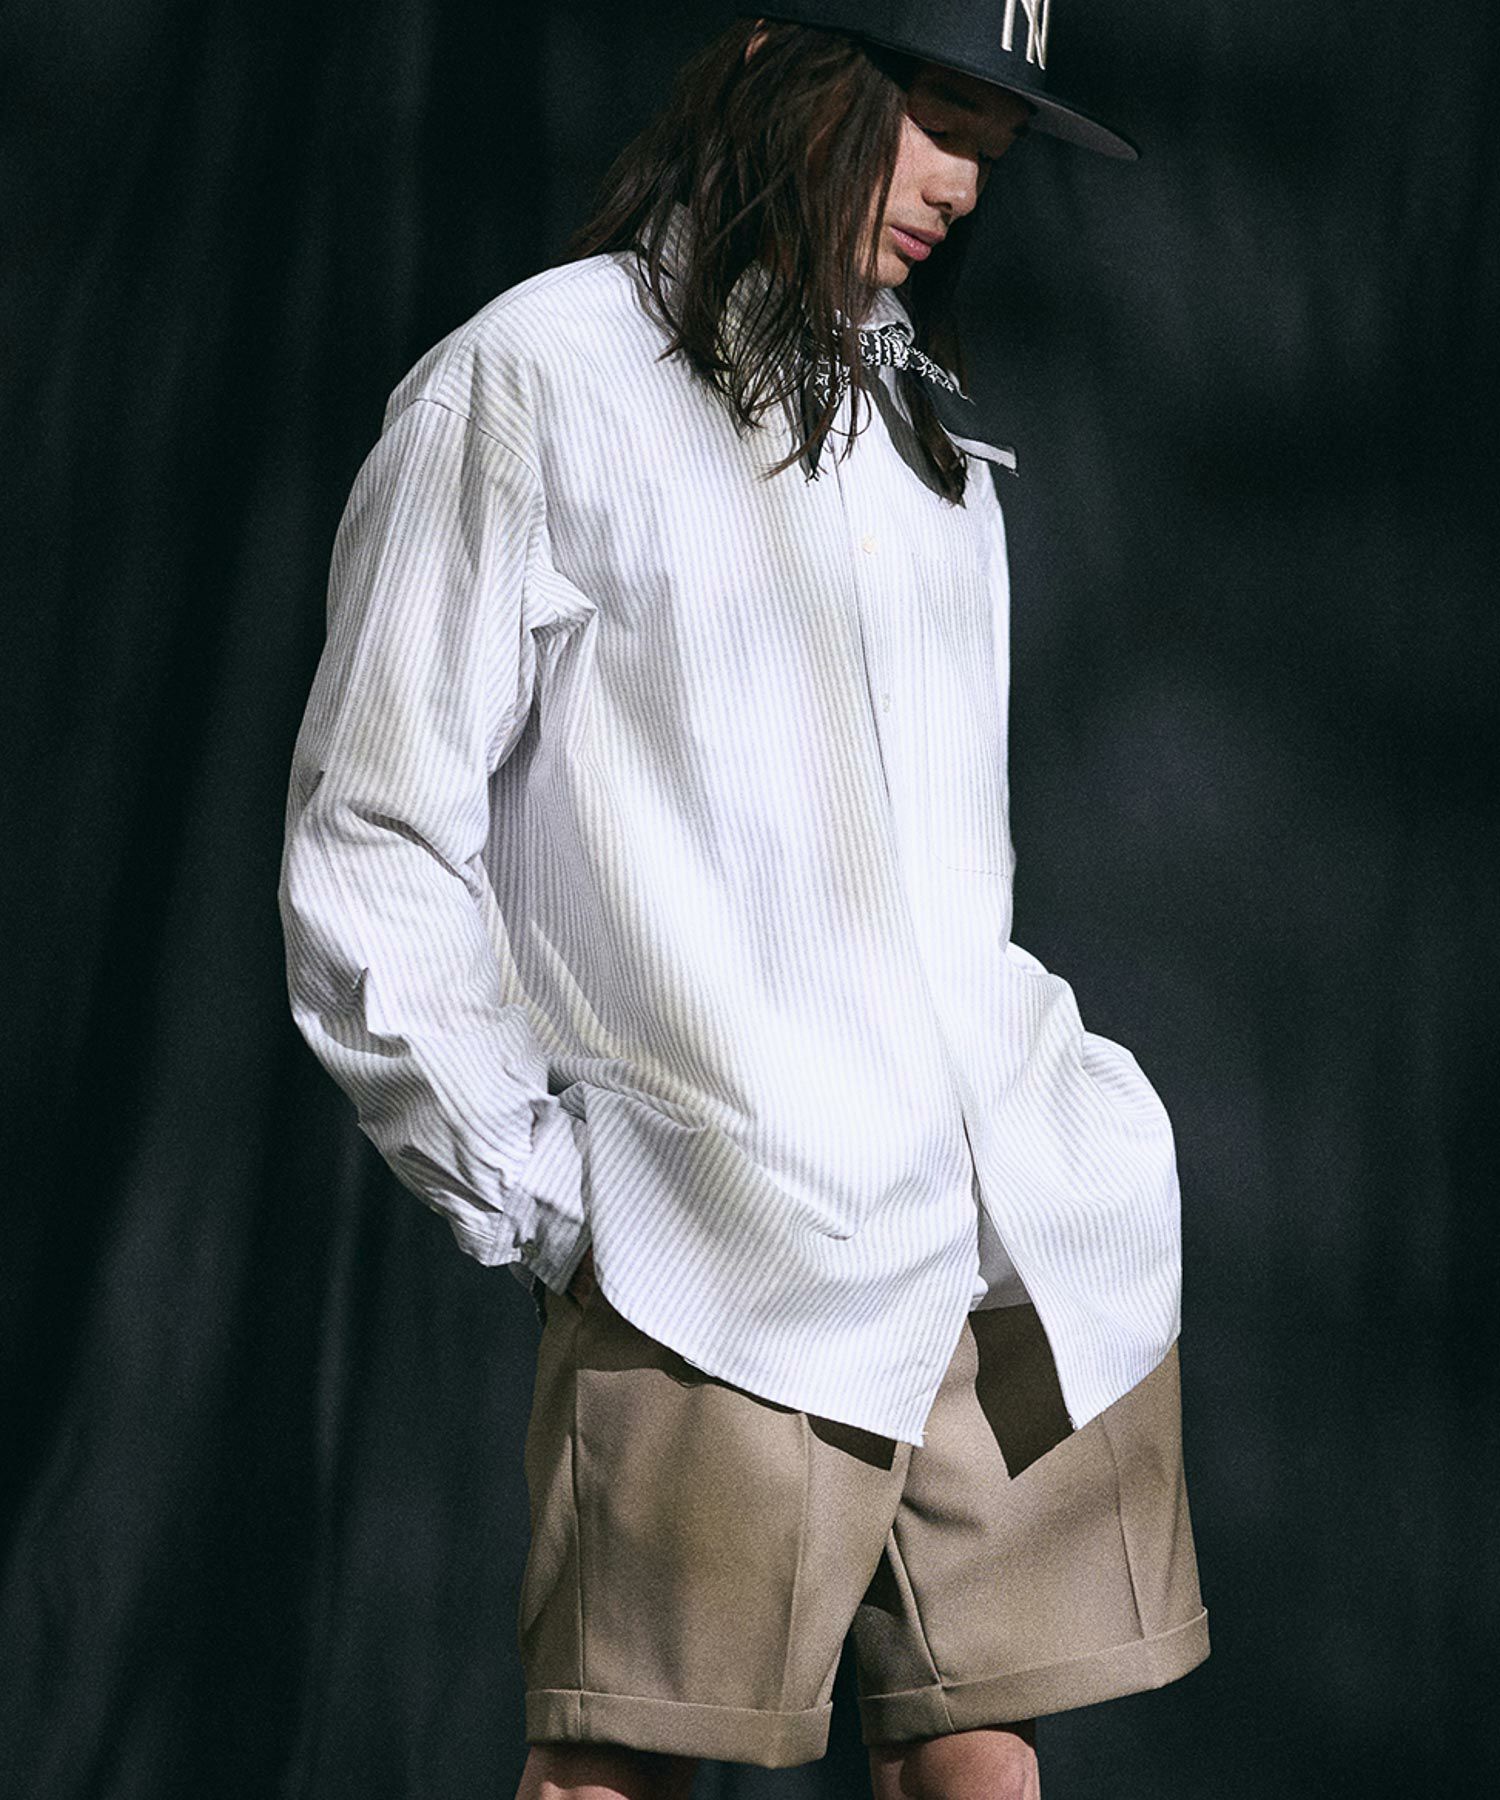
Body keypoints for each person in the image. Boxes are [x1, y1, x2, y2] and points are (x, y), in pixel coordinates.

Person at [278, 5, 1209, 1796]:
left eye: (996, 144)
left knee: (984, 1759)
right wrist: (553, 1198)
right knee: (619, 1770)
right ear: (793, 61)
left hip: (1001, 1221)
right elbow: (371, 832)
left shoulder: (925, 430)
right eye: (938, 116)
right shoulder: (539, 379)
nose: (964, 182)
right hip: (721, 1242)